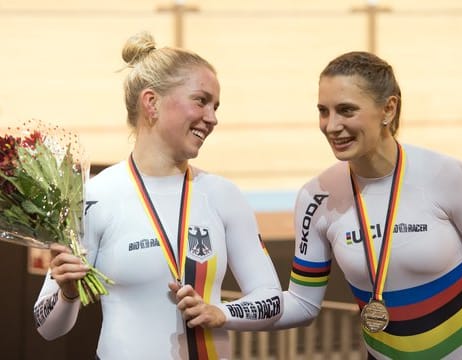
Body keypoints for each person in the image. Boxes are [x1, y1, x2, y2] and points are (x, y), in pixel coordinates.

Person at [33, 31, 282, 359]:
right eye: (201, 100)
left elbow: (272, 299)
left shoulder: (223, 195)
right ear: (151, 103)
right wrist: (67, 293)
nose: (213, 118)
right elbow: (47, 326)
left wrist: (223, 313)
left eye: (216, 106)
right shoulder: (95, 197)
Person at [270, 51, 462, 359]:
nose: (331, 126)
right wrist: (223, 313)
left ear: (388, 108)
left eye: (346, 110)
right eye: (323, 111)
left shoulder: (448, 175)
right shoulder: (315, 197)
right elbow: (302, 303)